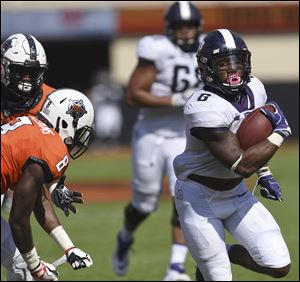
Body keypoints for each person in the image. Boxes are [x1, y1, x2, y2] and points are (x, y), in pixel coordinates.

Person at [173, 28, 292, 281]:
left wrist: (265, 172)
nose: (233, 69)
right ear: (206, 67)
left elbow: (255, 141)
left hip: (236, 193)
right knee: (219, 278)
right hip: (200, 197)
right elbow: (241, 164)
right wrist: (281, 132)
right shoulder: (202, 106)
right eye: (223, 63)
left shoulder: (255, 88)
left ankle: (223, 253)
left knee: (279, 266)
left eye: (238, 61)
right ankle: (210, 264)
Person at [112, 1, 205, 281]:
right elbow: (132, 94)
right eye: (180, 26)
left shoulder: (206, 49)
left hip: (183, 134)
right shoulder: (157, 49)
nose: (186, 32)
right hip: (152, 133)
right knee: (143, 205)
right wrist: (176, 99)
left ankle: (176, 267)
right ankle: (125, 236)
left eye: (190, 26)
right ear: (170, 28)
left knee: (184, 198)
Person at [1, 33, 89, 281]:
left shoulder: (52, 101)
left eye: (34, 72)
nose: (28, 79)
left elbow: (34, 163)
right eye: (21, 70)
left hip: (11, 170)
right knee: (21, 263)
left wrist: (55, 182)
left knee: (19, 264)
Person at [86, 69, 123, 150]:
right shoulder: (97, 88)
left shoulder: (114, 87)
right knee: (101, 128)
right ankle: (100, 144)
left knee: (113, 127)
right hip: (102, 109)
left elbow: (118, 97)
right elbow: (95, 100)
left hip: (112, 109)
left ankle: (112, 144)